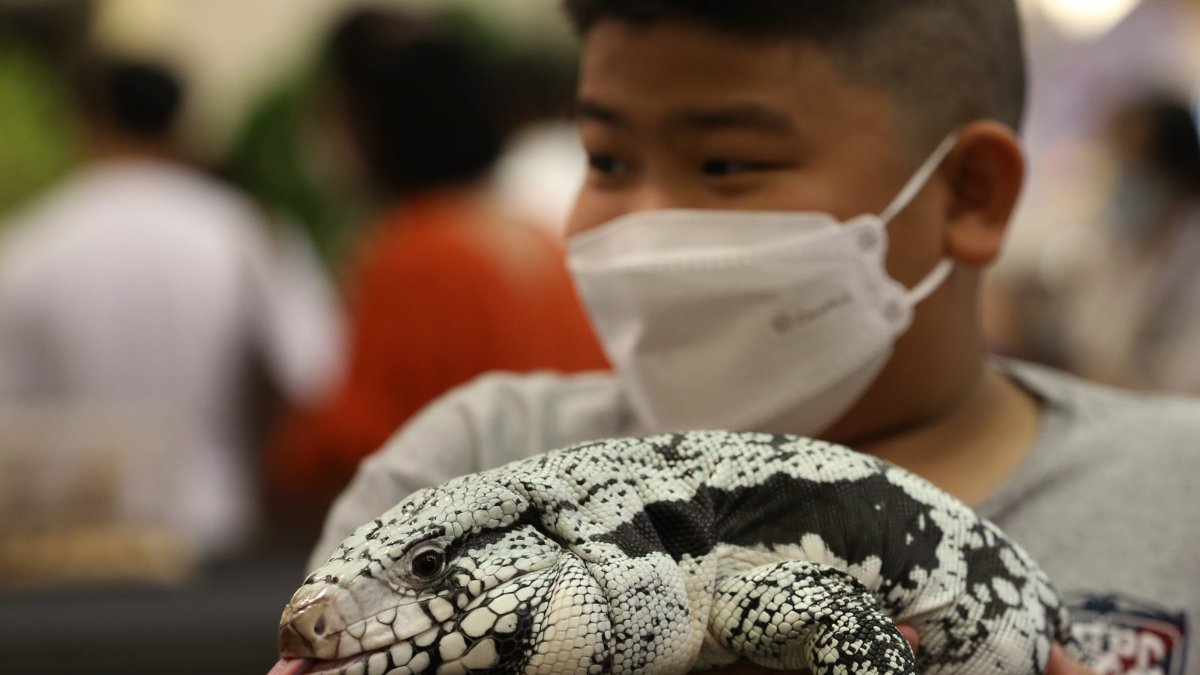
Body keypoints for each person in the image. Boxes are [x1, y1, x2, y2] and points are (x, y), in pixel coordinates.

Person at [308, 3, 1198, 674]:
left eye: (727, 163)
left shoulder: (1177, 487)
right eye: (606, 158)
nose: (638, 226)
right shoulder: (471, 463)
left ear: (967, 193)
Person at [263, 10, 608, 531]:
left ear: (368, 121)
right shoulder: (532, 234)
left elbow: (348, 454)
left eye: (331, 112)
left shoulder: (411, 254)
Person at [0, 59, 343, 561]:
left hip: (72, 544)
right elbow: (316, 379)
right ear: (182, 123)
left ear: (91, 119)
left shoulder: (29, 247)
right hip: (222, 526)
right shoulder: (247, 234)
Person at [1055, 94, 1200, 394]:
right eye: (1117, 160)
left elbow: (1185, 386)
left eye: (1134, 164)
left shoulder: (1188, 255)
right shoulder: (1118, 243)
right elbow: (1084, 339)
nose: (1122, 177)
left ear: (1175, 170)